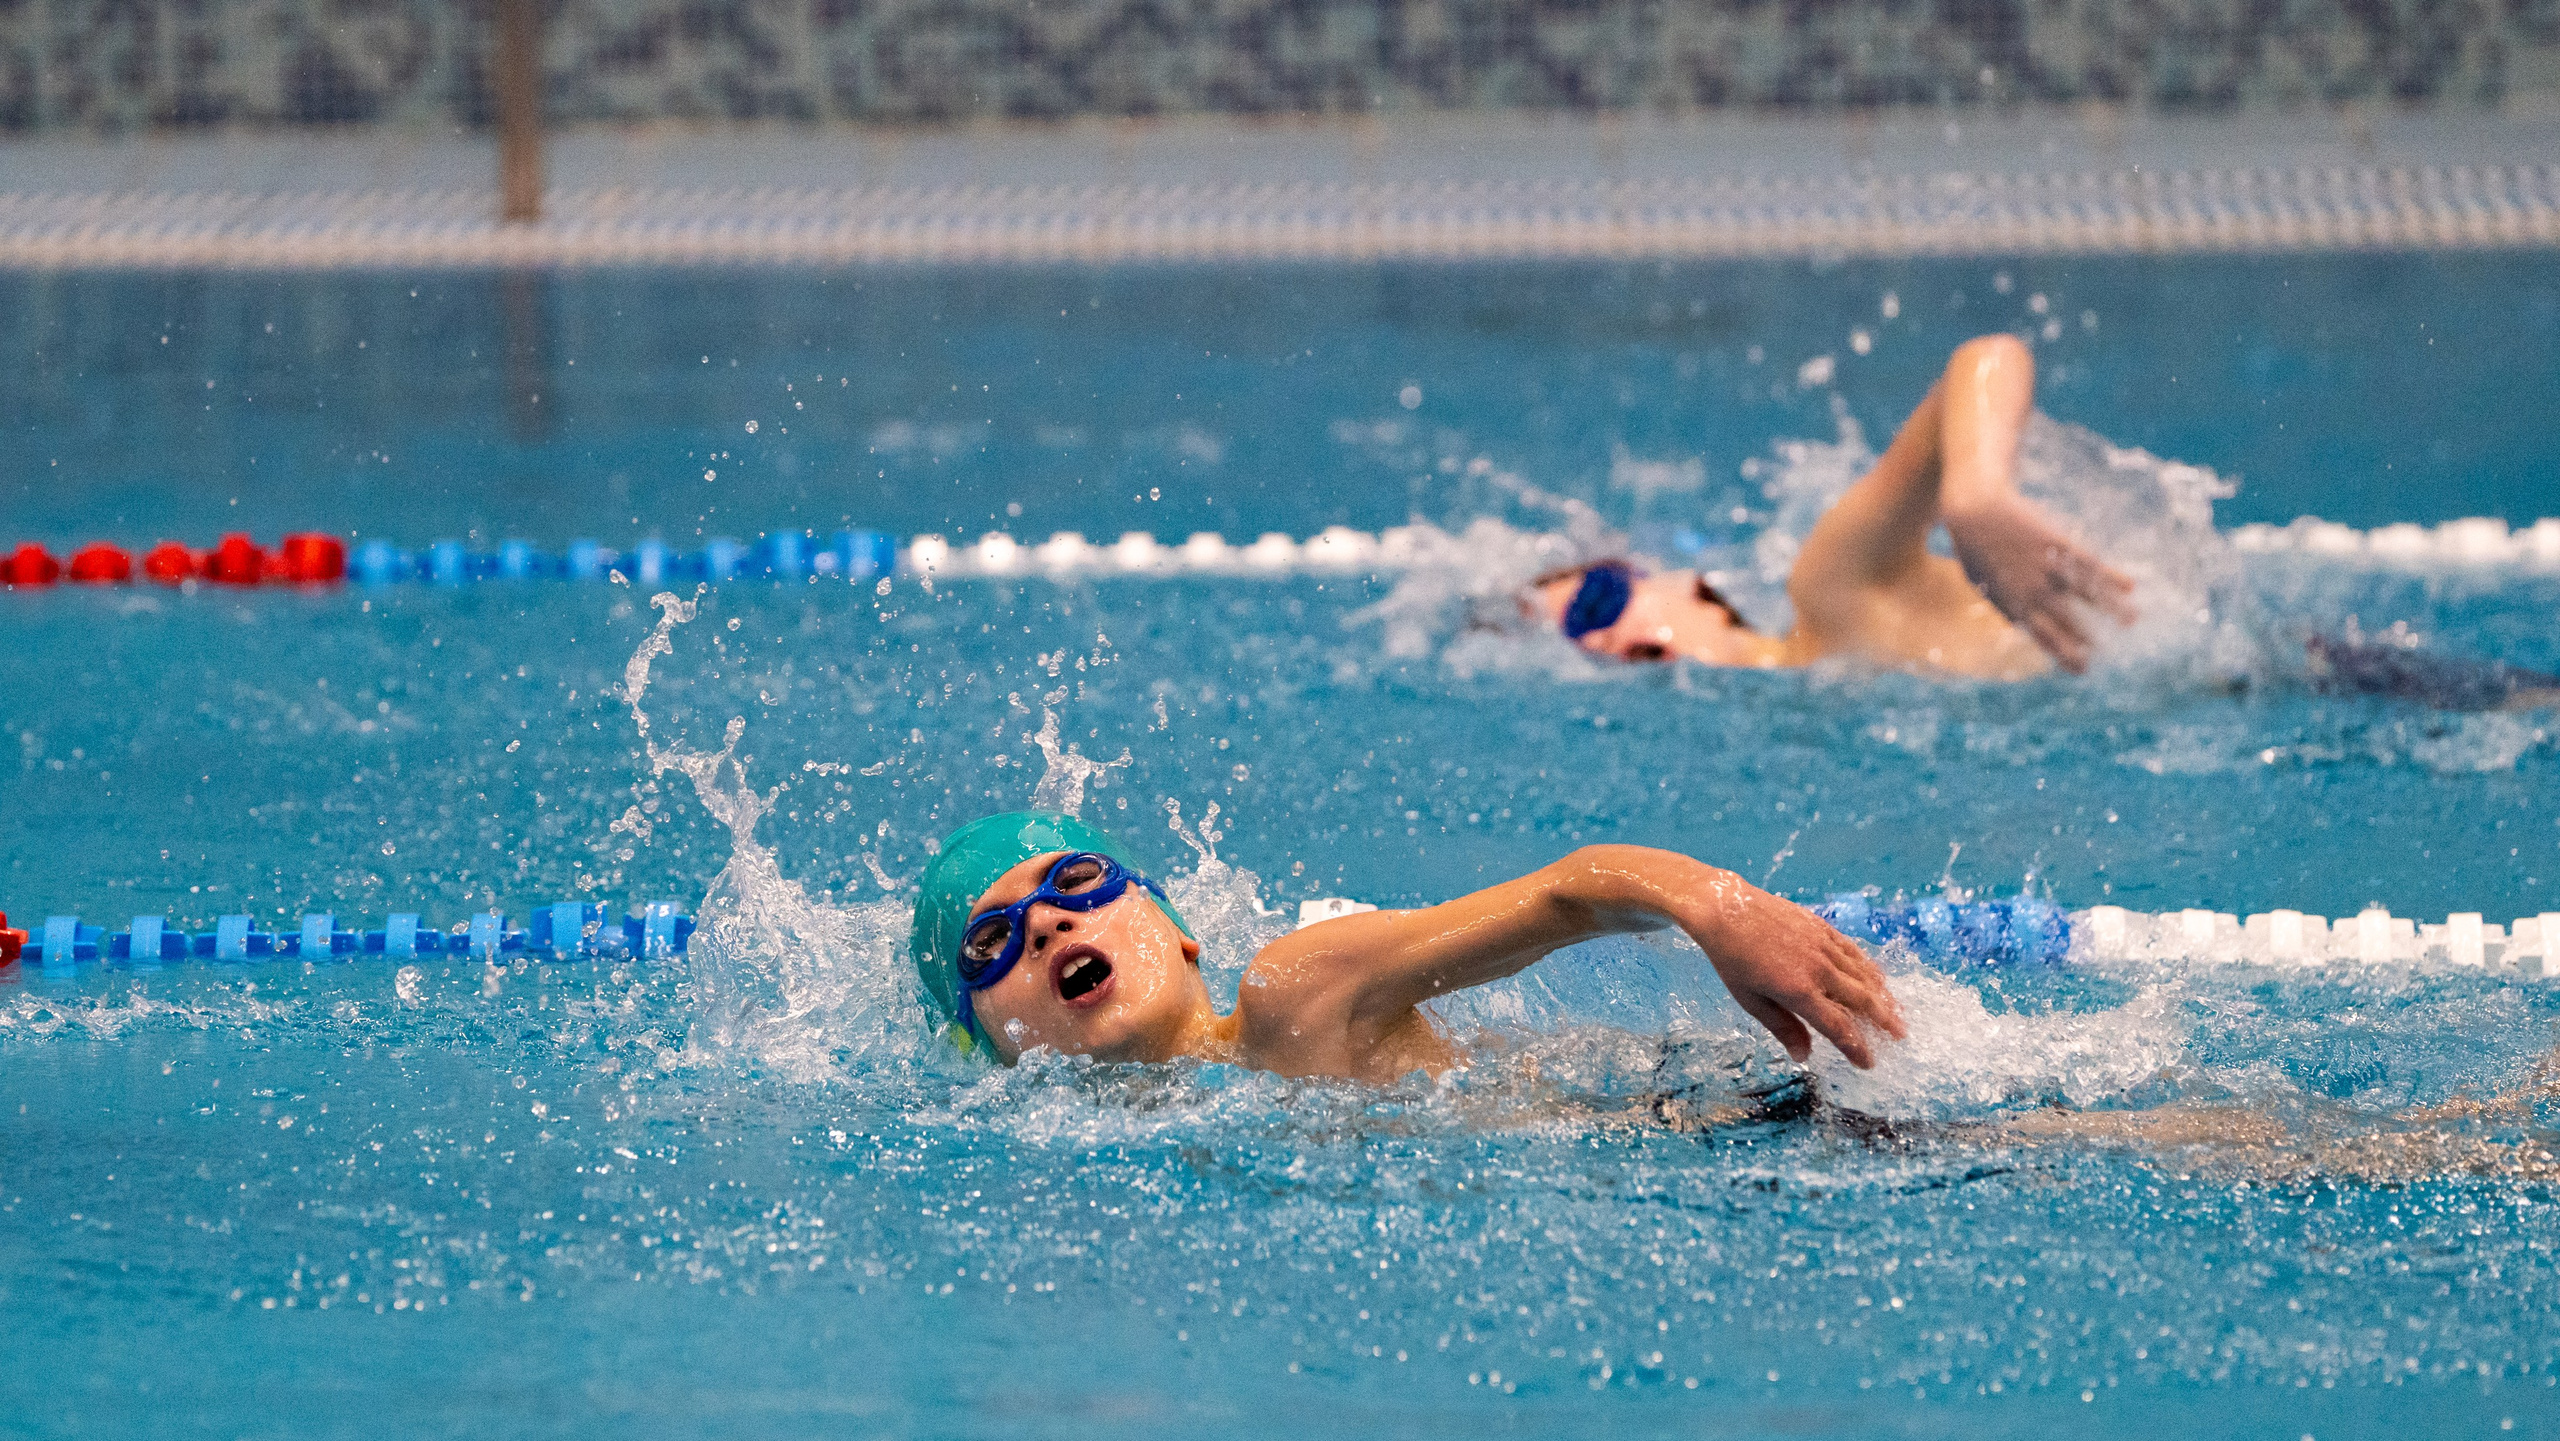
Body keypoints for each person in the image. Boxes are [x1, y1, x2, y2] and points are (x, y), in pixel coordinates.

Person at [907, 810, 1904, 1081]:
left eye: (1075, 882)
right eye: (990, 944)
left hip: (1749, 1128)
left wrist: (1716, 906)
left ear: (1176, 928)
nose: (1044, 923)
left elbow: (1563, 896)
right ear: (985, 1042)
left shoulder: (1293, 994)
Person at [1528, 333, 2137, 677]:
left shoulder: (1830, 587)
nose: (1601, 642)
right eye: (1576, 644)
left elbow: (1986, 359)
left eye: (1595, 606)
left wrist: (1975, 499)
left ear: (1689, 586)